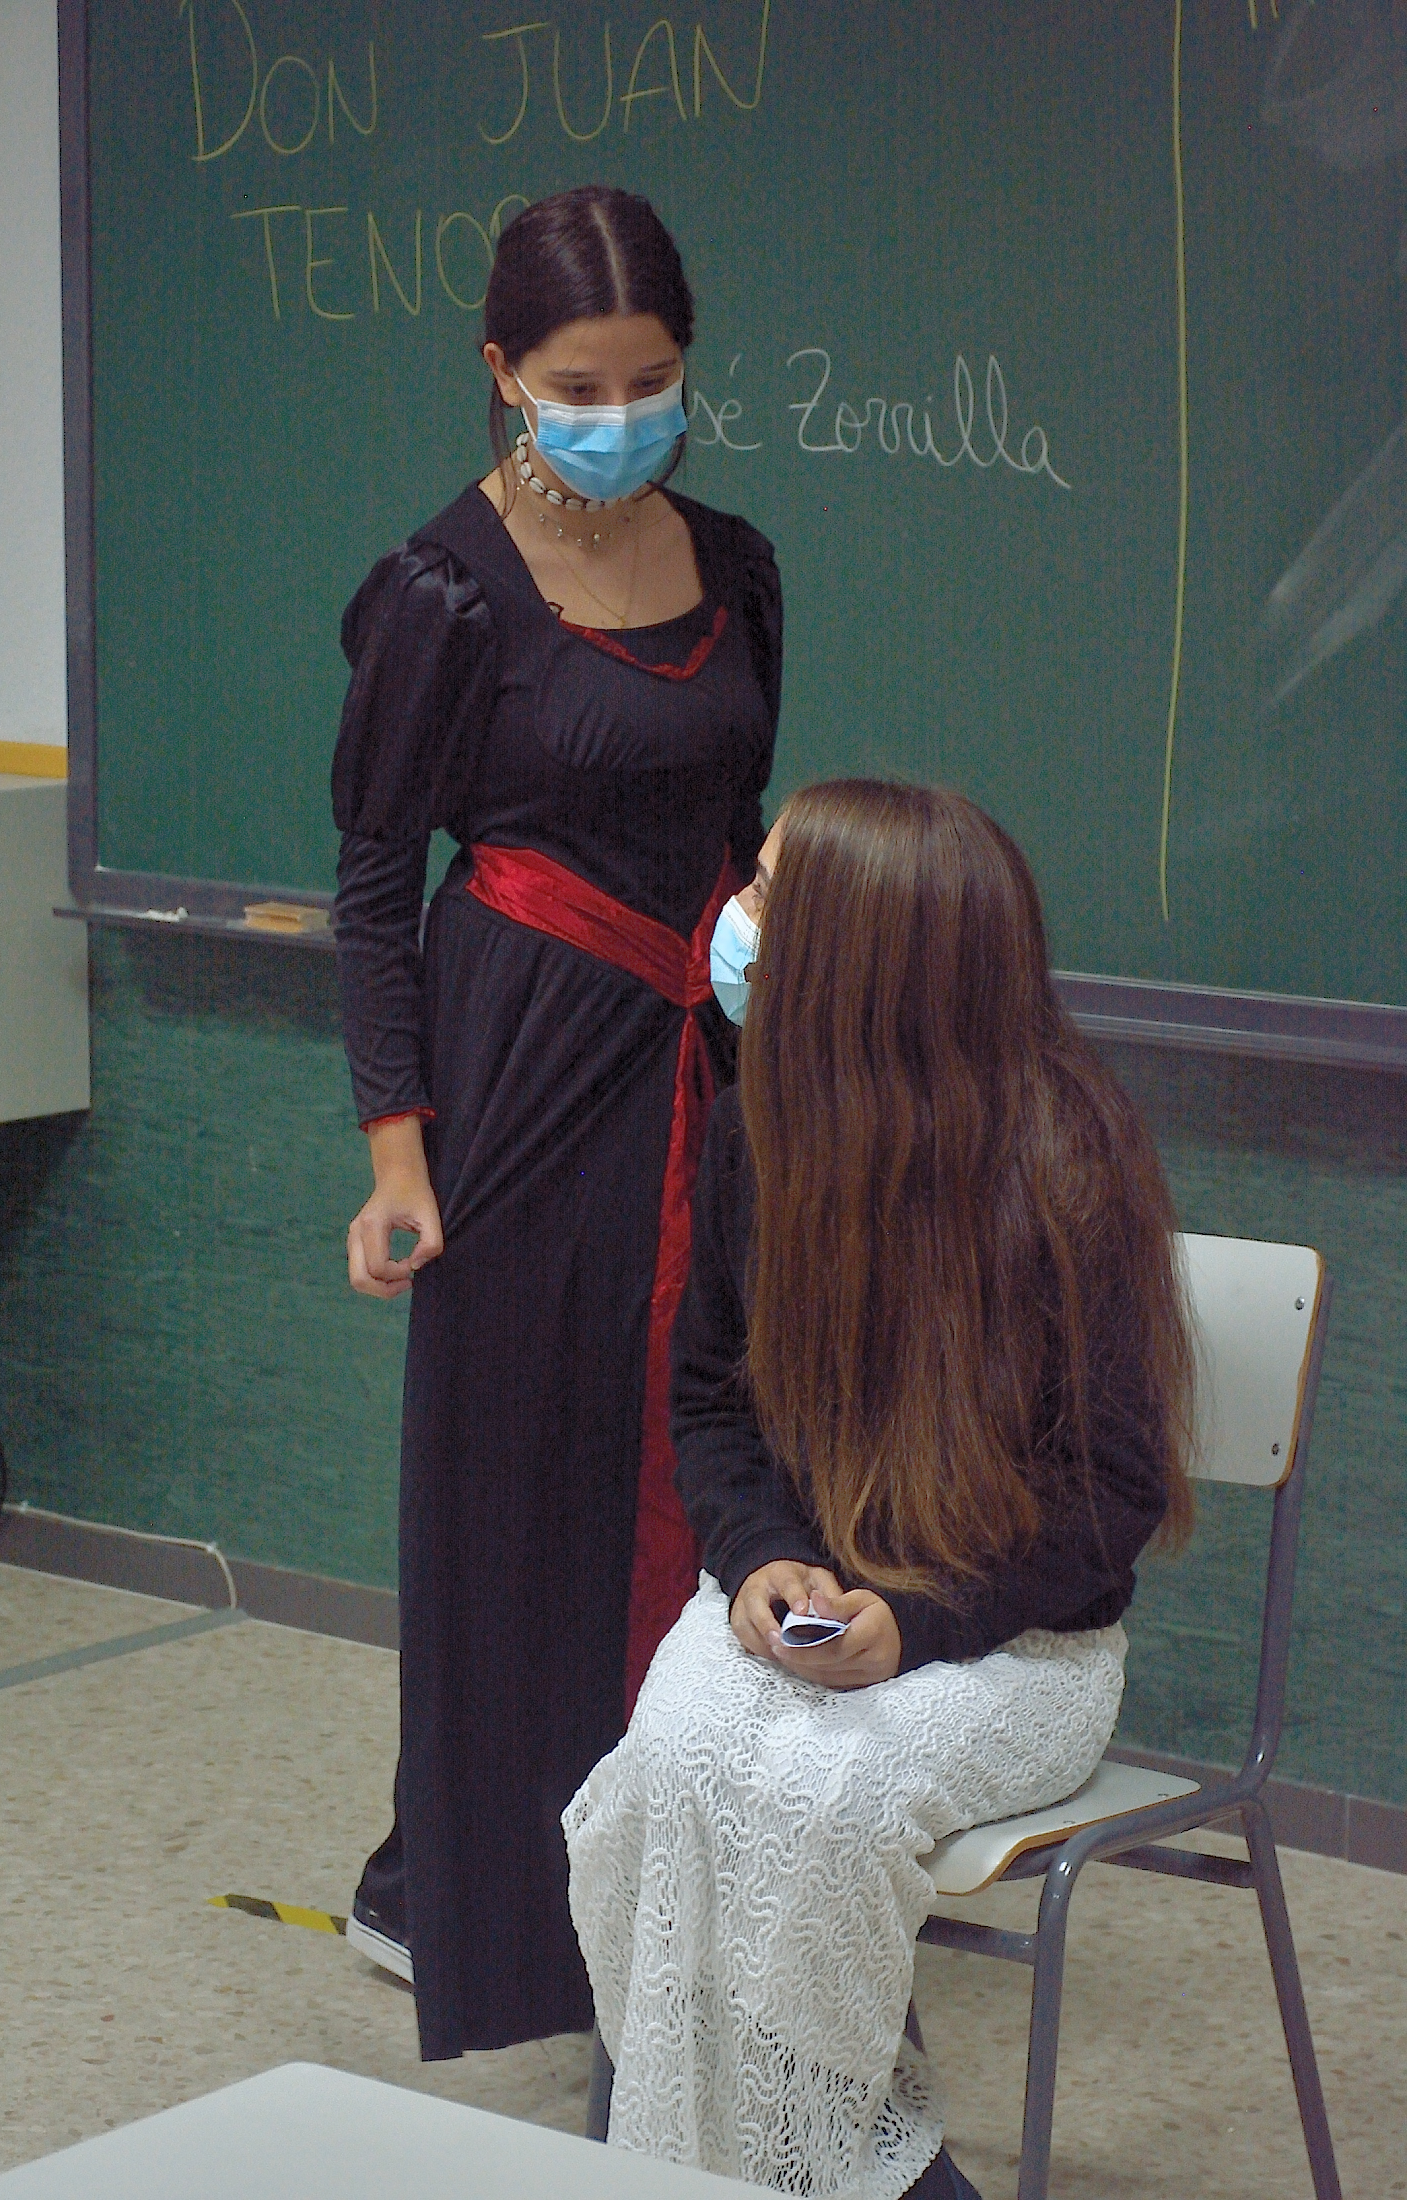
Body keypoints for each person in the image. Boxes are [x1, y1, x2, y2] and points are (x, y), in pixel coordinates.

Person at [564, 781, 1194, 2199]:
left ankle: (834, 2176)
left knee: (823, 1803)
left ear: (860, 956)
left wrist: (913, 1622)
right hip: (803, 1594)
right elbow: (713, 1402)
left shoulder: (1068, 1167)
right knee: (672, 1770)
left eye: (768, 893)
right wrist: (760, 1558)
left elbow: (1109, 1498)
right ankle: (758, 2172)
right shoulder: (757, 1134)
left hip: (1014, 1646)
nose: (736, 918)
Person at [330, 185, 781, 2060]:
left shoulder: (737, 564)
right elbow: (375, 879)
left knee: (694, 1456)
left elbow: (737, 817)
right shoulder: (444, 591)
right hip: (514, 1081)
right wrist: (399, 1158)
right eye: (578, 387)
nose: (617, 414)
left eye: (650, 380)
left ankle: (686, 1876)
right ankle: (492, 1907)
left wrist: (759, 932)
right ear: (503, 372)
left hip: (699, 1072)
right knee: (520, 1497)